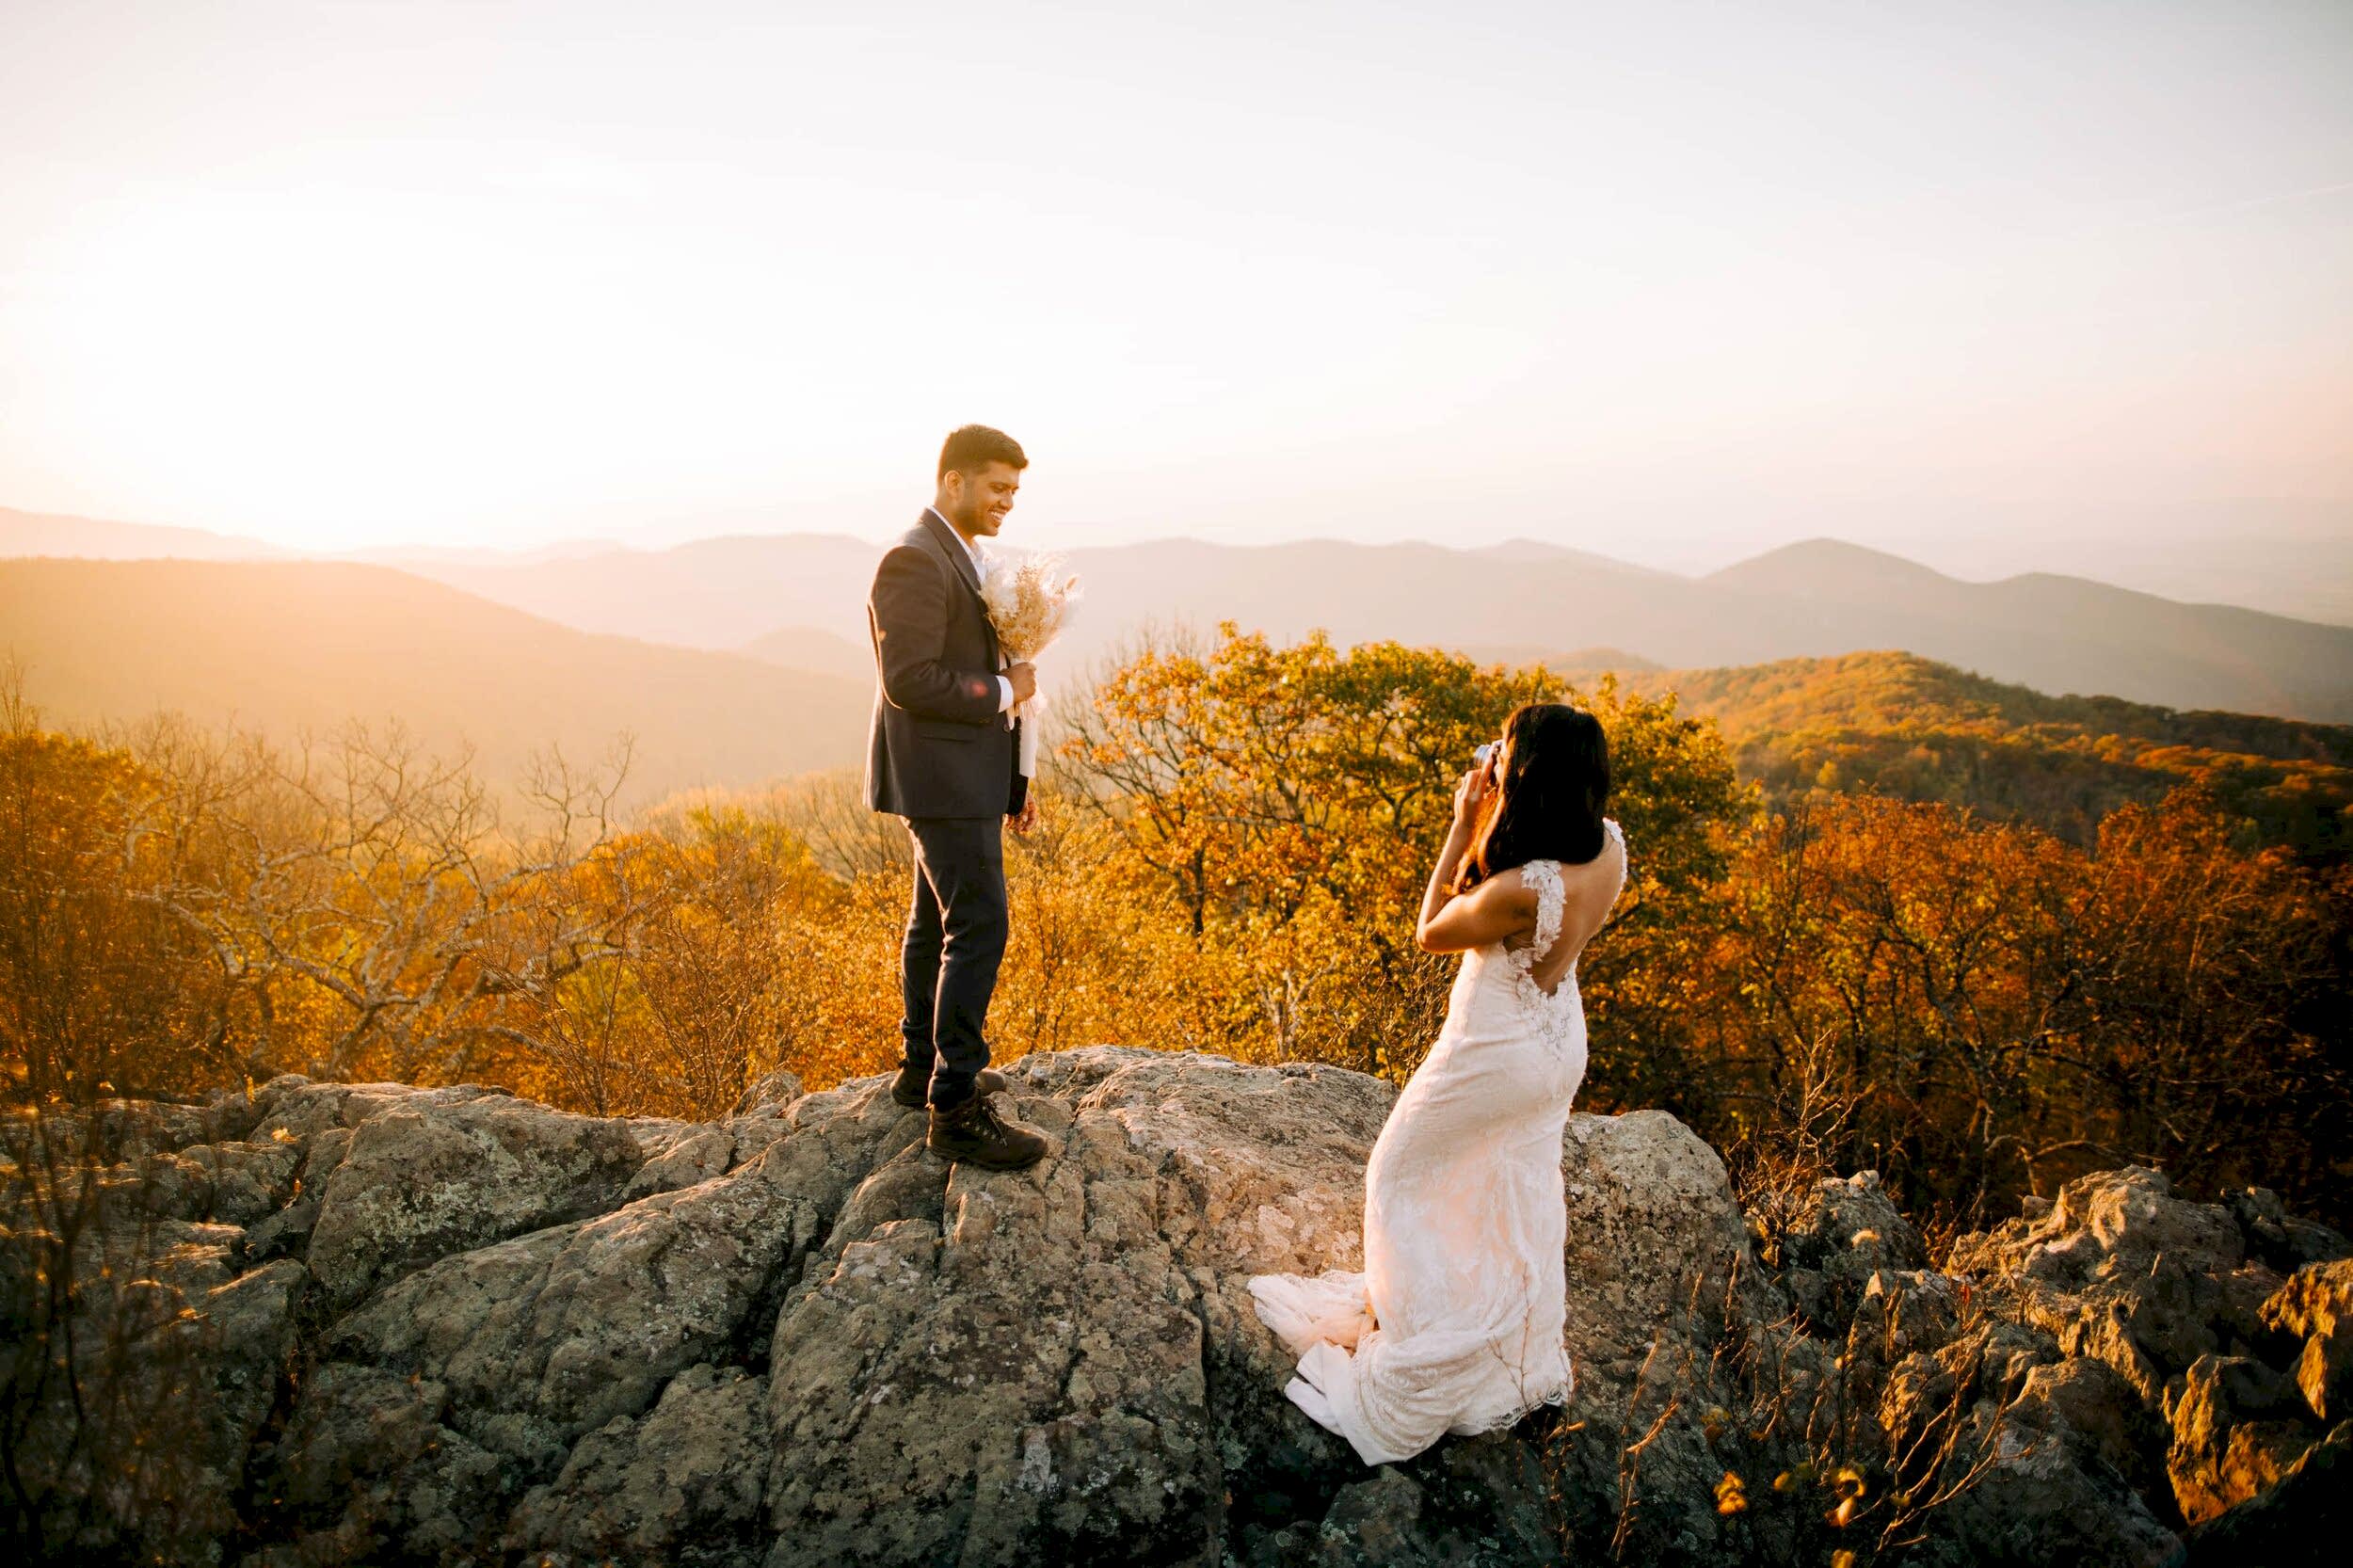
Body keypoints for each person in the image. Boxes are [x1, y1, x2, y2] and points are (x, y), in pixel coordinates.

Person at [1246, 702, 1628, 1464]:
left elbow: (1430, 930)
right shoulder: (1608, 849)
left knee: (1399, 1174)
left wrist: (1464, 820)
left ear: (1523, 780)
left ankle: (1431, 1344)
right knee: (1514, 1193)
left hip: (1496, 1051)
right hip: (1557, 1043)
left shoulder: (1519, 887)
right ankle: (1518, 1356)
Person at [864, 424, 1049, 1171]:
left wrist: (1015, 780)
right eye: (997, 487)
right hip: (939, 780)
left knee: (932, 923)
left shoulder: (962, 555)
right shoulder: (914, 558)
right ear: (953, 482)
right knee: (980, 926)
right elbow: (908, 681)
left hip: (964, 776)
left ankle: (920, 1071)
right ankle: (955, 1104)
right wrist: (1005, 688)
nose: (1008, 501)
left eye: (1015, 490)